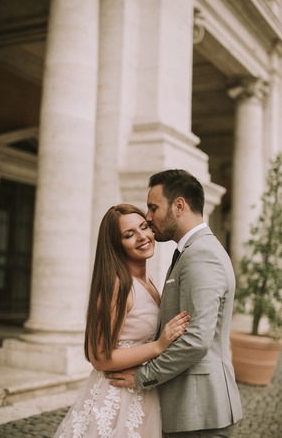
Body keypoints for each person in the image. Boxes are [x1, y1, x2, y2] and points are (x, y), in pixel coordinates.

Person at [106, 170, 243, 438]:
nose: (148, 217)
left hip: (199, 413)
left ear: (179, 205)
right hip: (191, 410)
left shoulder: (201, 255)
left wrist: (142, 377)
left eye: (153, 207)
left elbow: (196, 340)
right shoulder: (192, 251)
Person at [53, 203, 190, 438]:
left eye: (144, 227)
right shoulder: (119, 285)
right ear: (116, 245)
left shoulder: (147, 279)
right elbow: (99, 357)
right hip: (117, 397)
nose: (142, 237)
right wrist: (159, 346)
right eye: (129, 234)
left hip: (142, 390)